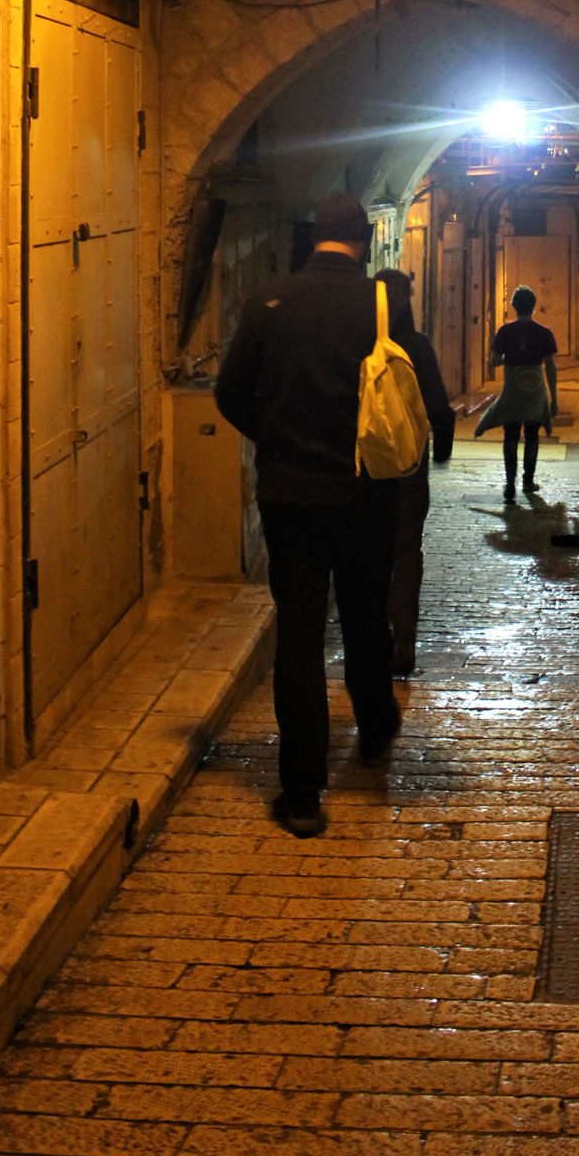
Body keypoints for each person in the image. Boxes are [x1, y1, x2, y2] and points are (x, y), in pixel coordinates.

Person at [215, 192, 417, 839]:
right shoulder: (382, 303)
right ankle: (374, 724)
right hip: (364, 491)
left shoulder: (268, 302)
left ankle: (301, 793)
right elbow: (406, 388)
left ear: (311, 239)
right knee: (364, 613)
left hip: (290, 494)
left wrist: (276, 439)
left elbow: (229, 393)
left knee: (299, 633)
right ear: (366, 240)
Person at [374, 268, 455, 678]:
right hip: (409, 466)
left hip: (366, 467)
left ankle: (373, 641)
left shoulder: (362, 343)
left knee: (368, 553)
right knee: (406, 552)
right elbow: (439, 406)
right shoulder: (417, 346)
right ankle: (404, 640)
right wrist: (441, 452)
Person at [475, 283, 558, 506]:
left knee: (510, 435)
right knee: (532, 434)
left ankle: (510, 482)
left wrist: (509, 357)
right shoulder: (544, 333)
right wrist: (554, 398)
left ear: (513, 306)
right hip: (535, 390)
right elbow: (550, 366)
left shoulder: (505, 332)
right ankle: (528, 481)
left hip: (512, 389)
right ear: (533, 306)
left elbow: (494, 361)